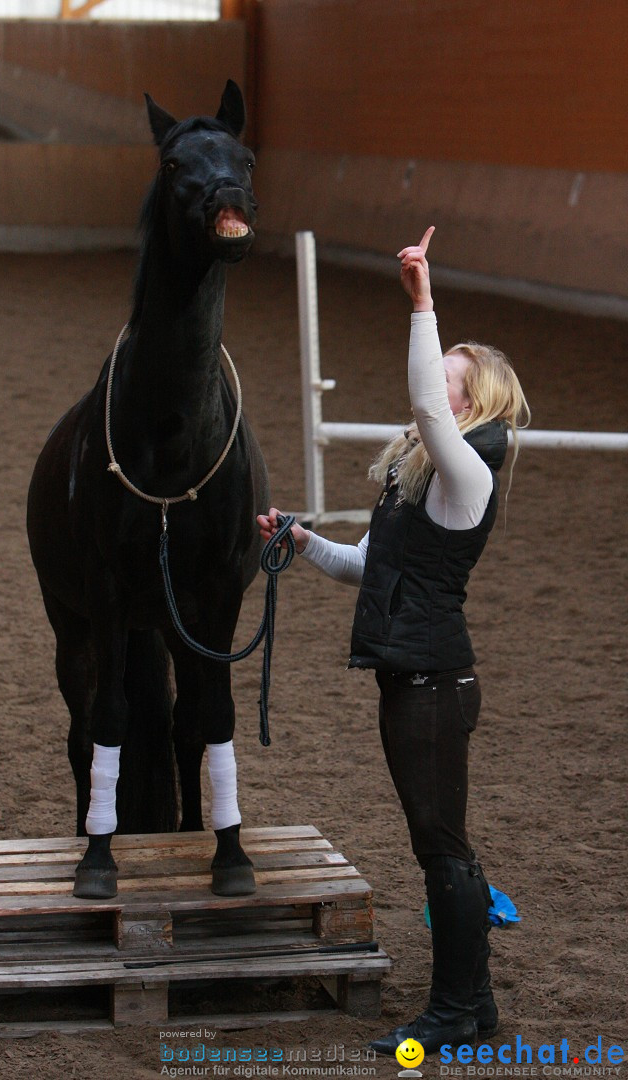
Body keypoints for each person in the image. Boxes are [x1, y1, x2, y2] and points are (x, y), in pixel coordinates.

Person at [257, 227, 530, 1055]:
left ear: (470, 402)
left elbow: (419, 405)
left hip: (432, 688)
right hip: (419, 683)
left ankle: (454, 1011)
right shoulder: (424, 481)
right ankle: (472, 1004)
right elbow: (368, 568)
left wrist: (422, 303)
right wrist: (304, 542)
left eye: (449, 380)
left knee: (440, 849)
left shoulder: (467, 470)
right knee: (442, 843)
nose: (431, 390)